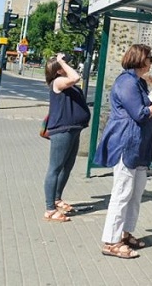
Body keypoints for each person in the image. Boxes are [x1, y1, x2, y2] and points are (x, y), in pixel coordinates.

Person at [94, 44, 152, 259]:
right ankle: (111, 241)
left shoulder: (138, 81)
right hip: (126, 144)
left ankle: (125, 233)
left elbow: (147, 104)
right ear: (139, 59)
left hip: (140, 147)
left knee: (135, 194)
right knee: (121, 194)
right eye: (149, 57)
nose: (151, 61)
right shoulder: (127, 82)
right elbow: (140, 113)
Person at [42, 53, 91, 222]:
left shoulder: (64, 82)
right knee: (55, 168)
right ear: (58, 71)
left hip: (73, 129)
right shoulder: (57, 82)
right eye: (64, 65)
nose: (69, 65)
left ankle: (57, 198)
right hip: (63, 130)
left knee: (67, 166)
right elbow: (75, 77)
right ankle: (49, 208)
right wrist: (61, 61)